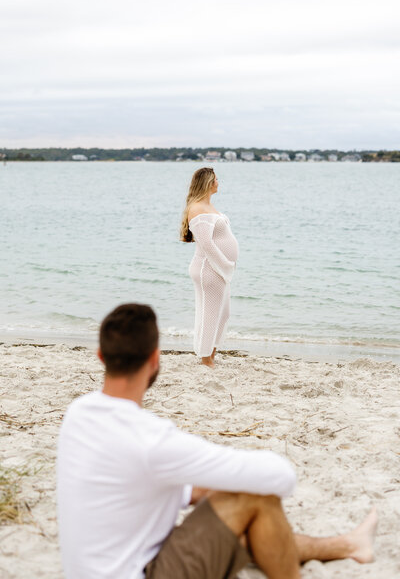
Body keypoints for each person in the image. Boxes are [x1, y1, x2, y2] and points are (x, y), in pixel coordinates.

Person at [57, 303, 377, 579]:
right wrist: (230, 486)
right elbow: (282, 477)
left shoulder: (77, 415)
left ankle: (346, 545)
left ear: (101, 356)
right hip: (139, 572)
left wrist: (203, 489)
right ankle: (339, 549)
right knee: (256, 500)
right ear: (155, 359)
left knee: (240, 526)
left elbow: (134, 483)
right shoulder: (151, 439)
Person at [181, 167, 239, 368]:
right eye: (215, 179)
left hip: (219, 270)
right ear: (207, 182)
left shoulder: (209, 206)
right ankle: (206, 358)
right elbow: (206, 244)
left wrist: (226, 267)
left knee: (223, 313)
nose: (218, 182)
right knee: (210, 313)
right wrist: (226, 265)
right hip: (209, 268)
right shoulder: (197, 208)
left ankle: (210, 353)